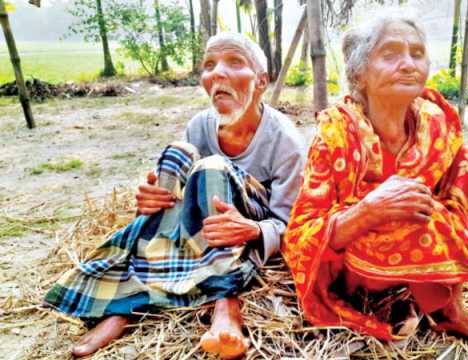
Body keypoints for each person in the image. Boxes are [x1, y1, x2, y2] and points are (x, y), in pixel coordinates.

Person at [44, 32, 305, 359]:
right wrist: (153, 197)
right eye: (209, 65)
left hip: (242, 229)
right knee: (177, 155)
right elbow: (179, 193)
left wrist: (253, 229)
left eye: (234, 62)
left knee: (211, 168)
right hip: (200, 233)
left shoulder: (286, 142)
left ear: (261, 81)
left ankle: (226, 301)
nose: (217, 72)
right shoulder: (199, 125)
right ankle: (127, 304)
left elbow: (293, 225)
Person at [283, 14, 468, 348]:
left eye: (417, 53)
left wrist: (427, 212)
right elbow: (298, 237)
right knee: (409, 216)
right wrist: (369, 210)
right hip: (353, 262)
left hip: (413, 245)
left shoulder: (434, 121)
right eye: (391, 53)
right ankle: (440, 306)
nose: (408, 64)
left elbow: (449, 189)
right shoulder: (336, 135)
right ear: (360, 73)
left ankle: (446, 301)